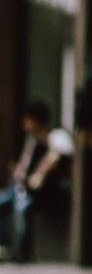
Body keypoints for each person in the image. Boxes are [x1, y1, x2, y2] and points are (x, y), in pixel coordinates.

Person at [0, 100, 74, 262]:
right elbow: (23, 169)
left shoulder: (56, 137)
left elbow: (57, 158)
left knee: (22, 206)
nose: (25, 124)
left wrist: (38, 175)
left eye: (28, 119)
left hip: (46, 191)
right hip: (23, 188)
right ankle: (3, 246)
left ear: (36, 120)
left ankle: (22, 252)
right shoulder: (32, 141)